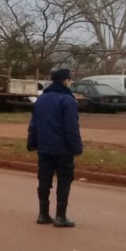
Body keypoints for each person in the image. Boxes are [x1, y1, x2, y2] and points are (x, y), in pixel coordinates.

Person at [27, 68, 83, 228]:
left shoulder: (41, 99)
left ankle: (43, 214)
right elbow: (71, 128)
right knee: (64, 181)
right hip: (63, 149)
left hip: (44, 147)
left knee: (44, 180)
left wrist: (32, 142)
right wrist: (77, 147)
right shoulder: (67, 100)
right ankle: (61, 216)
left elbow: (34, 124)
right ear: (66, 80)